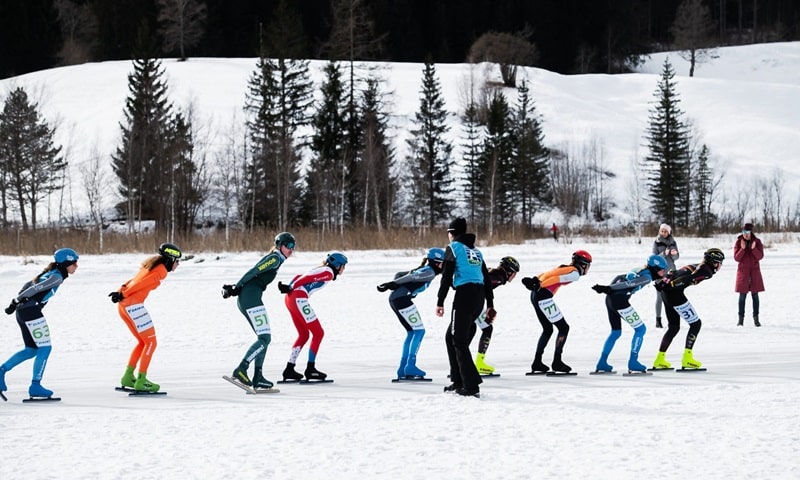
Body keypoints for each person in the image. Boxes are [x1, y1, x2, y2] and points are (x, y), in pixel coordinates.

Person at [1, 248, 79, 399]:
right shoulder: (56, 277)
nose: (76, 266)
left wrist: (18, 303)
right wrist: (16, 301)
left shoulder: (51, 273)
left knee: (31, 349)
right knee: (45, 348)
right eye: (74, 263)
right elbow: (34, 287)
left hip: (23, 312)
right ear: (66, 263)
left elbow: (29, 285)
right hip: (30, 312)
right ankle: (35, 386)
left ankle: (1, 371)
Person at [222, 232, 295, 390]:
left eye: (293, 247)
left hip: (250, 297)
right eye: (288, 246)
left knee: (263, 338)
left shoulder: (277, 259)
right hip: (250, 298)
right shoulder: (275, 258)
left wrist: (238, 288)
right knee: (265, 338)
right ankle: (242, 369)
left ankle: (258, 377)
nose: (291, 249)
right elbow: (254, 271)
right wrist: (237, 286)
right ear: (279, 245)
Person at [109, 243, 182, 393]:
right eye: (177, 261)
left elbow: (132, 280)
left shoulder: (150, 265)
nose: (178, 264)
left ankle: (128, 377)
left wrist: (120, 292)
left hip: (124, 306)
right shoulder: (161, 270)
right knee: (151, 342)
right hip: (133, 306)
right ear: (170, 260)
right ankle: (141, 380)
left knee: (143, 342)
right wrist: (124, 294)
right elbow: (142, 283)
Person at [435, 217, 494, 398]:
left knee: (458, 341)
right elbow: (486, 279)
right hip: (479, 298)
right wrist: (490, 305)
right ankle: (458, 379)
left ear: (452, 234)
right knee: (450, 337)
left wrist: (440, 301)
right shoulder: (476, 252)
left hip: (464, 297)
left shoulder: (453, 248)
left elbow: (446, 277)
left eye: (449, 234)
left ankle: (470, 385)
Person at [590, 255, 668, 374]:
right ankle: (633, 362)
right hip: (619, 300)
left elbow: (619, 277)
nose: (664, 272)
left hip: (610, 300)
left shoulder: (640, 269)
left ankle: (602, 363)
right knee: (641, 329)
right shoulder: (647, 277)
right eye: (662, 270)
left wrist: (610, 289)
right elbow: (629, 284)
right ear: (655, 268)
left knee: (615, 332)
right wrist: (609, 288)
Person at [279, 251, 348, 382]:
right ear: (337, 265)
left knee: (304, 335)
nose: (344, 269)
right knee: (318, 333)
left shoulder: (322, 269)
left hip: (290, 299)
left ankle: (289, 369)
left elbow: (299, 275)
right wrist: (290, 286)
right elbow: (306, 279)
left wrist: (290, 287)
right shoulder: (328, 273)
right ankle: (310, 369)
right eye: (343, 265)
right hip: (298, 298)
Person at [652, 248, 725, 371]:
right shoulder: (706, 271)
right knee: (696, 324)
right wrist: (671, 285)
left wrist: (664, 283)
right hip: (674, 293)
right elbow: (688, 279)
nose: (720, 266)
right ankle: (687, 358)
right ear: (713, 262)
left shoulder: (699, 265)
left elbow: (673, 271)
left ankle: (659, 359)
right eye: (720, 263)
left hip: (666, 292)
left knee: (674, 327)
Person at [521, 250, 592, 374]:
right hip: (543, 295)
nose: (588, 269)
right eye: (589, 265)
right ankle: (557, 362)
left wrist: (536, 280)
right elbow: (555, 279)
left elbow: (546, 273)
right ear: (584, 264)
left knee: (548, 329)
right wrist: (540, 284)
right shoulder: (574, 273)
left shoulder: (564, 267)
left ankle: (537, 362)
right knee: (564, 328)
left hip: (535, 295)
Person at [377, 248, 445, 380]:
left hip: (395, 300)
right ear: (437, 263)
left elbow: (400, 274)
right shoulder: (429, 272)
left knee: (411, 332)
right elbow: (411, 277)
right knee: (419, 331)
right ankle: (410, 366)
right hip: (401, 300)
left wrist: (395, 284)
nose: (445, 266)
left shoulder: (424, 269)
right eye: (444, 263)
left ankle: (403, 368)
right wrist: (394, 284)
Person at [472, 256, 520, 375]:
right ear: (509, 271)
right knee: (485, 329)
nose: (515, 277)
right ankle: (477, 363)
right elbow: (481, 285)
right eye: (514, 273)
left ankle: (463, 364)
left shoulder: (495, 274)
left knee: (482, 329)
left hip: (473, 302)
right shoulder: (497, 278)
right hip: (473, 303)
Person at [734, 223, 764, 327]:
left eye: (747, 232)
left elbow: (760, 256)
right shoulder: (739, 242)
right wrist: (742, 249)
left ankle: (756, 319)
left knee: (755, 296)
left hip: (754, 273)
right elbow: (736, 258)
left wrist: (754, 249)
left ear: (751, 232)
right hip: (743, 274)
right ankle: (740, 320)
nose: (745, 234)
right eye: (744, 232)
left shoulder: (757, 242)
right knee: (742, 297)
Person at [652, 223, 679, 328]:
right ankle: (658, 320)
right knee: (660, 297)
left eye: (665, 231)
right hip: (660, 273)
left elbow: (677, 258)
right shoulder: (656, 242)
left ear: (669, 232)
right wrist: (664, 253)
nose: (663, 233)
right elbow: (653, 259)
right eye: (662, 231)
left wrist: (674, 254)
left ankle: (672, 319)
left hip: (672, 272)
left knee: (671, 297)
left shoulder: (673, 242)